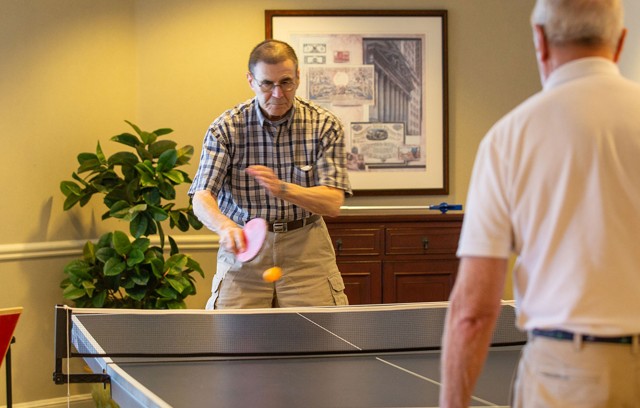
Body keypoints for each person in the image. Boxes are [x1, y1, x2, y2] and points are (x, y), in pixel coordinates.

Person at [440, 0, 640, 406]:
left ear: (540, 39)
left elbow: (474, 310)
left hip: (569, 375)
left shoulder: (509, 138)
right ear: (620, 42)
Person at [188, 39, 352, 309]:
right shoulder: (226, 128)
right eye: (267, 84)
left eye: (286, 82)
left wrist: (283, 189)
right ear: (251, 80)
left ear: (298, 78)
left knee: (318, 344)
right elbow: (201, 195)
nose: (277, 93)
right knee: (233, 344)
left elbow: (332, 203)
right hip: (244, 247)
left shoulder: (324, 125)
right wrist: (225, 226)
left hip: (307, 249)